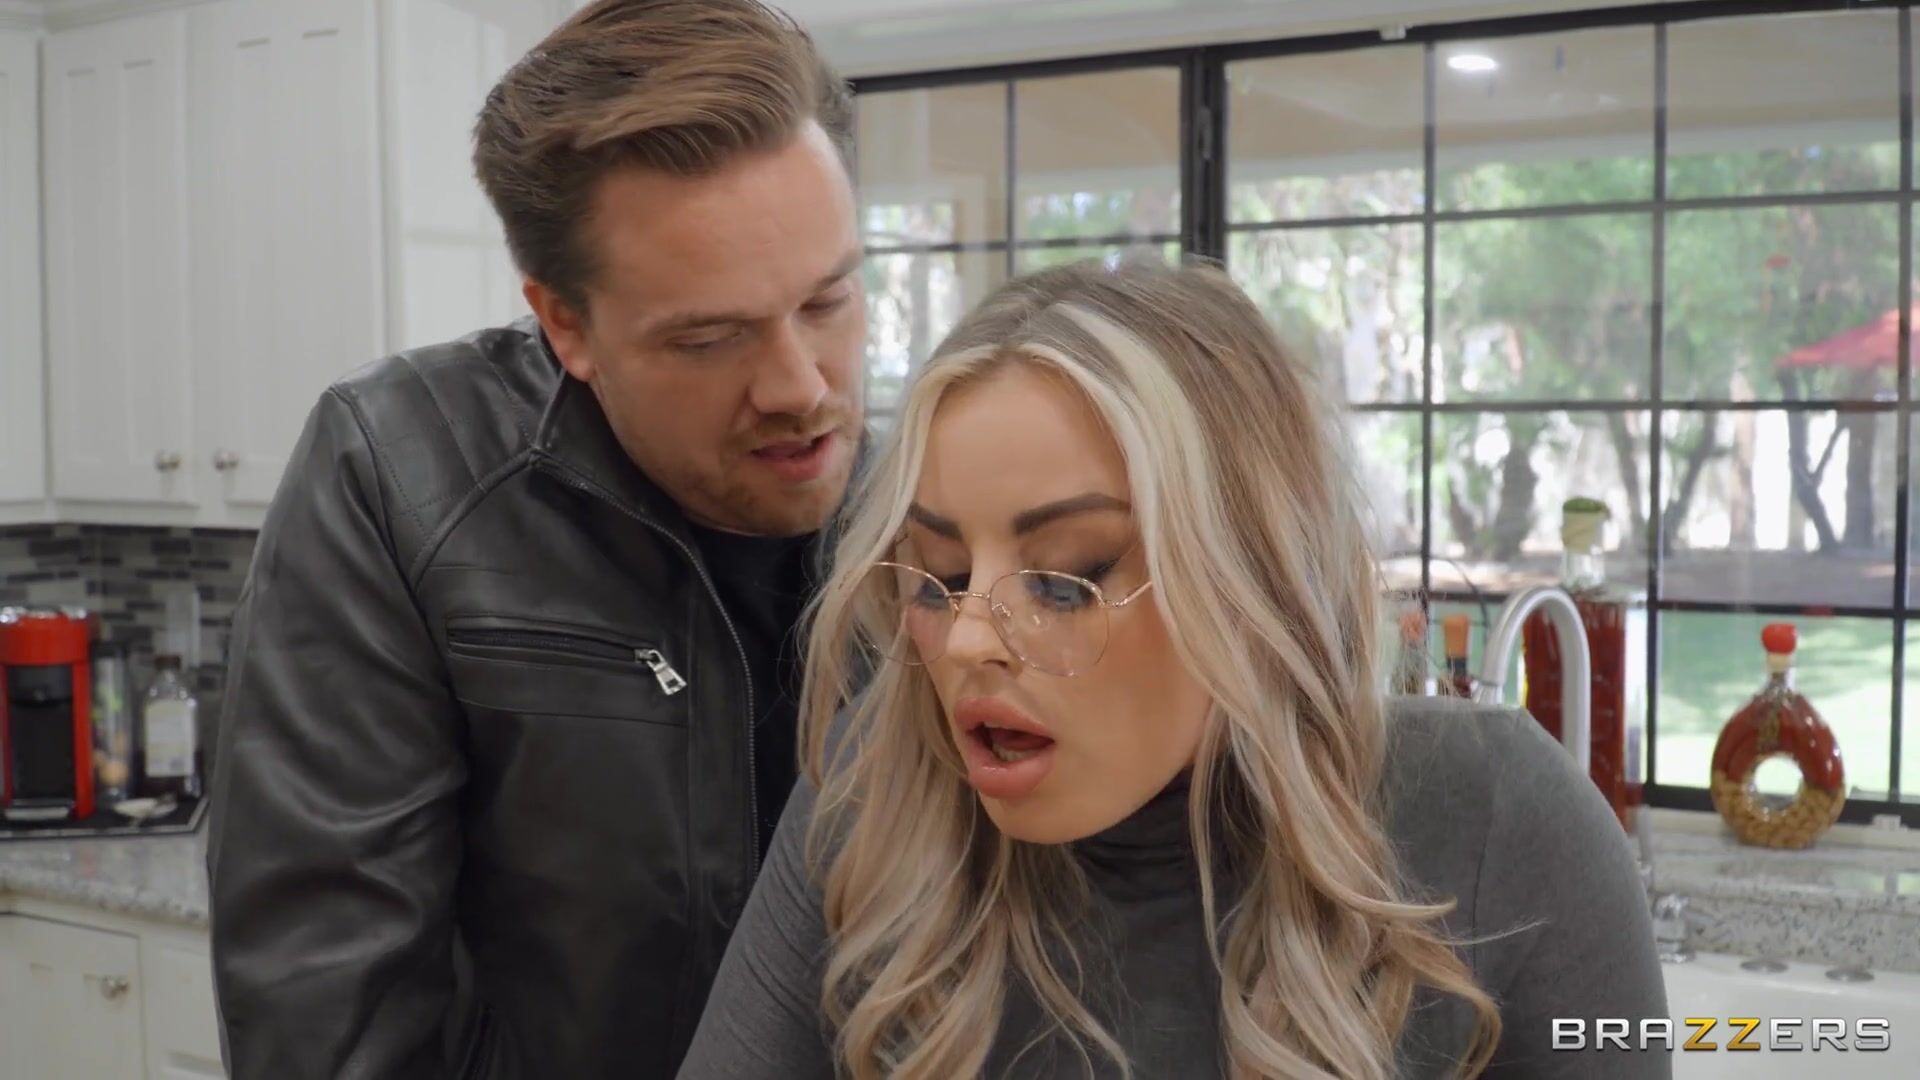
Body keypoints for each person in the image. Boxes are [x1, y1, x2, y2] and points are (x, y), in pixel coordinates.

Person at [678, 258, 1670, 1080]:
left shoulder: (1495, 818)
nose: (971, 639)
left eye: (1063, 579)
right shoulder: (872, 797)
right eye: (942, 574)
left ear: (1247, 583)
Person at [204, 2, 865, 1077]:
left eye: (829, 300)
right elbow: (325, 1010)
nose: (800, 387)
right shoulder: (398, 476)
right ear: (566, 325)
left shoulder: (935, 499)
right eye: (710, 337)